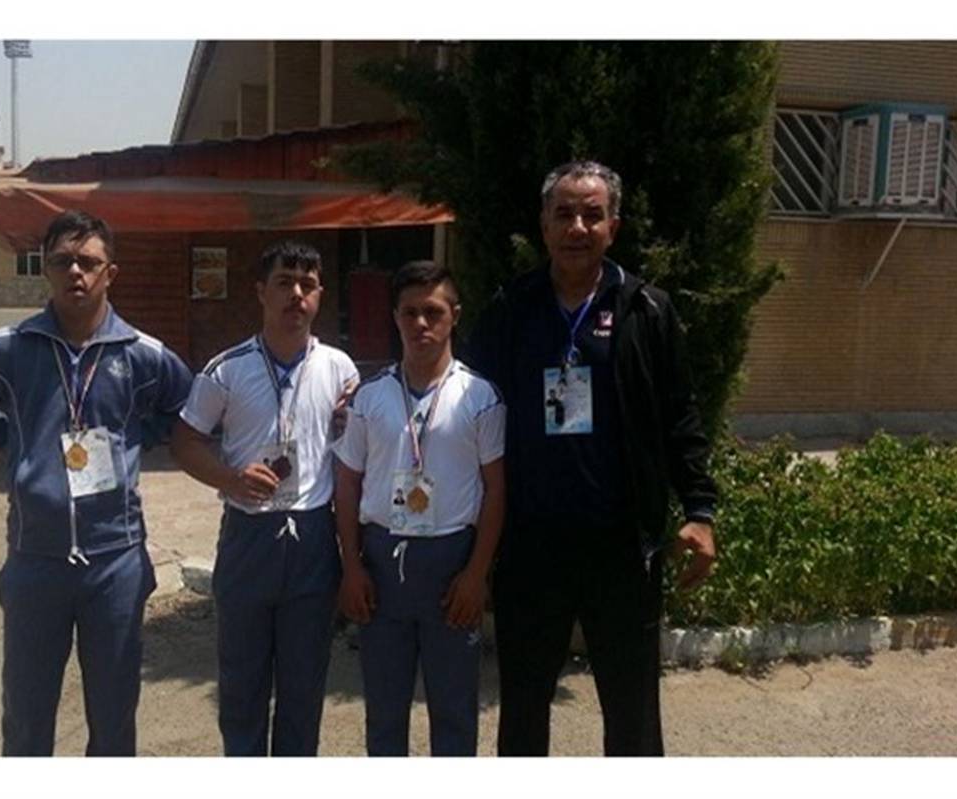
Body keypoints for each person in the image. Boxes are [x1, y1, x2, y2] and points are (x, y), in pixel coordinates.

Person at [466, 160, 717, 756]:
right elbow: (466, 404)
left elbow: (680, 417)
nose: (576, 227)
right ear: (544, 225)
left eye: (591, 215)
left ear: (613, 227)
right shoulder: (512, 308)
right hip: (531, 546)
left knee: (633, 713)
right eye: (563, 214)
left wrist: (700, 511)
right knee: (523, 709)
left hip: (621, 548)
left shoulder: (647, 310)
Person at [0, 210, 193, 756]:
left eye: (88, 262)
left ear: (110, 273)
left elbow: (186, 407)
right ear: (45, 270)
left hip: (116, 560)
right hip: (35, 558)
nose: (76, 271)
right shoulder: (7, 349)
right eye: (62, 261)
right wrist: (4, 443)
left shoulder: (143, 355)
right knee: (27, 714)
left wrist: (136, 438)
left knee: (114, 715)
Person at [172, 241, 359, 756]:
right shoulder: (226, 370)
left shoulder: (341, 370)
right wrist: (230, 478)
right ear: (260, 291)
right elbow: (185, 443)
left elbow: (354, 447)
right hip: (249, 536)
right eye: (284, 282)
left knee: (304, 687)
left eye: (308, 284)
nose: (296, 294)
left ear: (320, 295)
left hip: (313, 538)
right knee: (242, 687)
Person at [335, 261, 506, 756]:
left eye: (433, 312)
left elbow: (496, 490)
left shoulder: (480, 397)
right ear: (395, 318)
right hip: (382, 565)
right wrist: (351, 567)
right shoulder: (370, 397)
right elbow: (346, 483)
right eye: (409, 313)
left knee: (454, 711)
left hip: (451, 567)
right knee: (384, 711)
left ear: (455, 316)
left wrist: (476, 574)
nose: (421, 324)